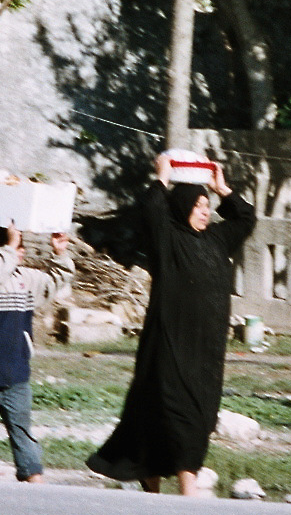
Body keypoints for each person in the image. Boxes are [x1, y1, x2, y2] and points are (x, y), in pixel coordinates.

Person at [86, 153, 257, 495]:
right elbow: (152, 210)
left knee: (199, 415)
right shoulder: (169, 239)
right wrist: (162, 177)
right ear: (182, 208)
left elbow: (246, 218)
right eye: (198, 205)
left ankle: (153, 484)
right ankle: (186, 492)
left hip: (206, 351)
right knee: (177, 416)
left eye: (207, 206)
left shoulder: (217, 239)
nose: (206, 211)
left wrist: (222, 189)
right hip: (170, 344)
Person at [0, 223, 73, 482]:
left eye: (20, 246)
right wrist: (9, 246)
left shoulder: (25, 278)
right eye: (17, 246)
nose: (21, 251)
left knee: (24, 435)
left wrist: (60, 253)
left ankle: (34, 483)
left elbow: (55, 281)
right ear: (0, 249)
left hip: (17, 372)